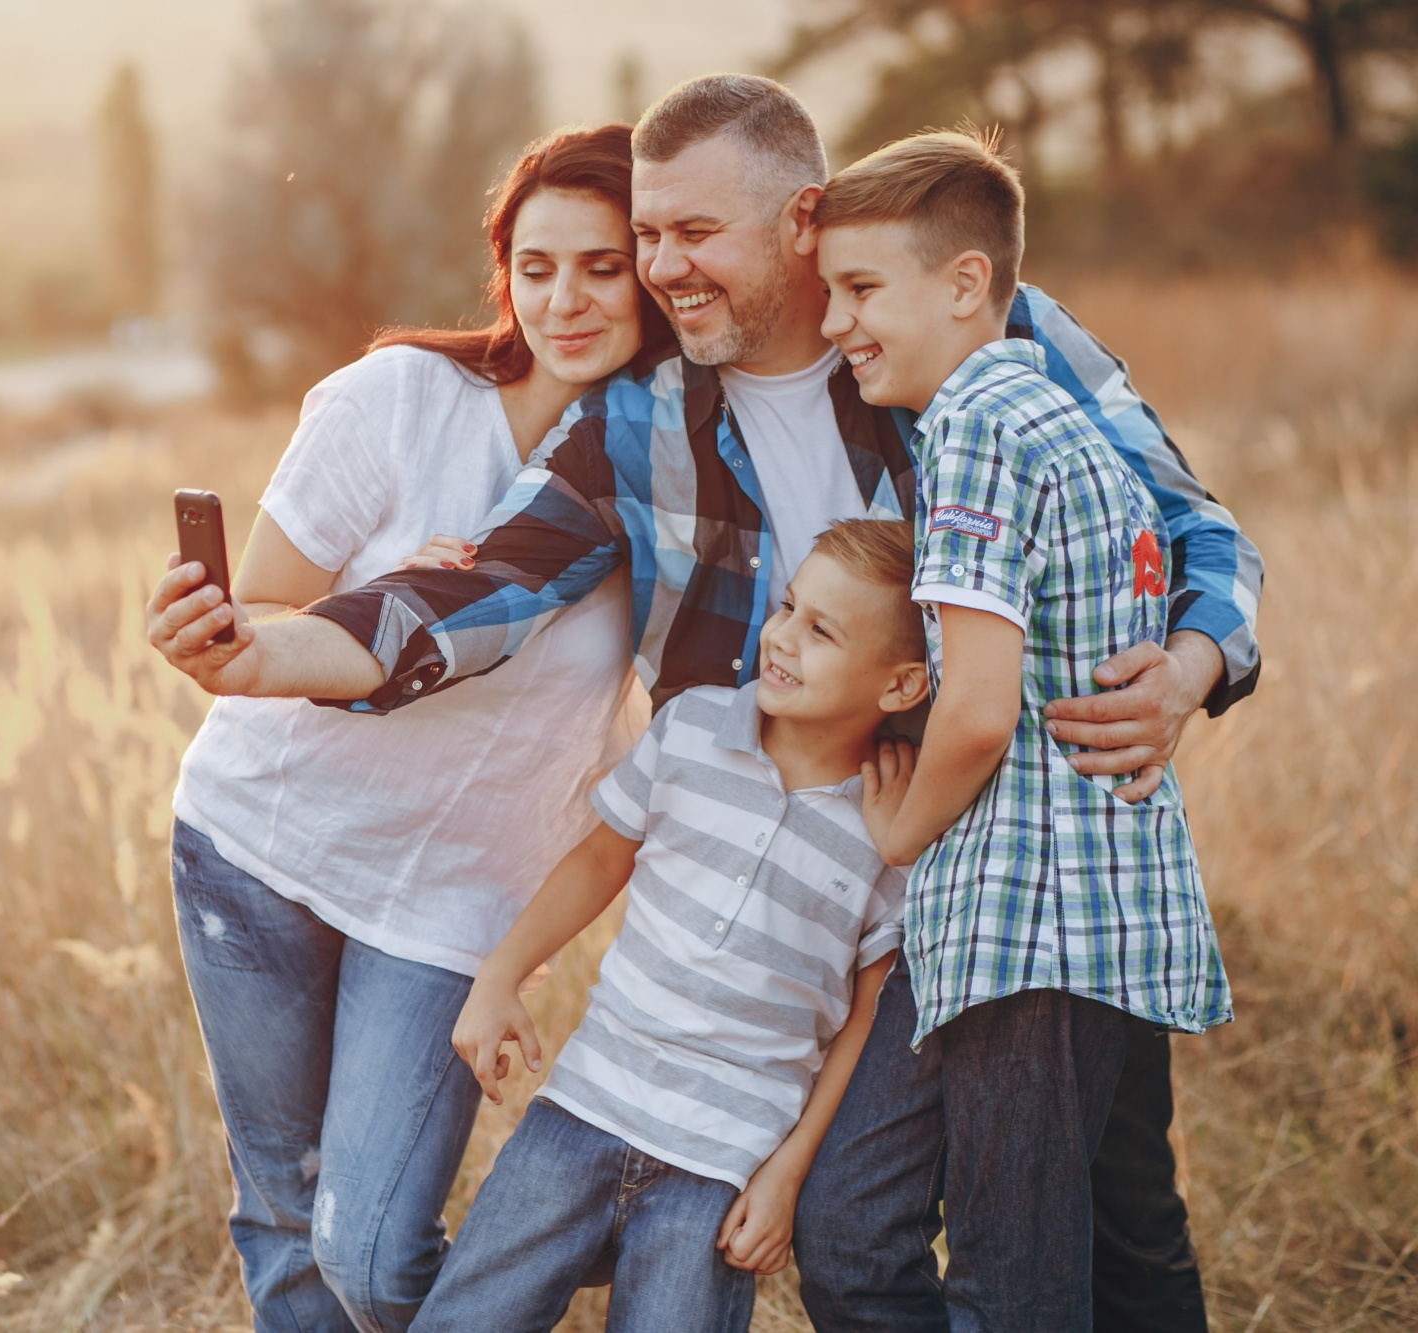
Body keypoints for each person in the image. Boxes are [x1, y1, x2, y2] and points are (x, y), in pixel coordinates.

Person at [148, 75, 1256, 1330]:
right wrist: (267, 655)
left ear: (799, 219)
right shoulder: (639, 414)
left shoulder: (972, 331)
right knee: (853, 1238)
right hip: (812, 881)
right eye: (649, 237)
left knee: (1114, 1214)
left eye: (690, 235)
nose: (660, 268)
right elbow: (478, 592)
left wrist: (1192, 663)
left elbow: (1189, 518)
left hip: (1012, 849)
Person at [165, 124, 676, 1333]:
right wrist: (232, 634)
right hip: (262, 846)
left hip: (457, 894)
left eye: (603, 267)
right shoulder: (395, 397)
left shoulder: (661, 467)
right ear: (502, 268)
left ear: (651, 274)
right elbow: (267, 601)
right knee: (283, 1211)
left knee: (378, 1248)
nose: (566, 298)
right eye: (537, 264)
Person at [795, 130, 1230, 1331]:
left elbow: (979, 711)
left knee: (1011, 1287)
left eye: (861, 289)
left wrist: (895, 827)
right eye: (829, 291)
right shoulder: (1043, 414)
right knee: (861, 1233)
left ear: (966, 282)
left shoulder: (977, 432)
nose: (835, 321)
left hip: (1035, 910)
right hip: (1030, 910)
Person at [410, 521, 927, 1333]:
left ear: (899, 687)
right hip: (585, 1106)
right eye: (789, 606)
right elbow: (597, 862)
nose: (782, 637)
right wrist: (500, 973)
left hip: (722, 1165)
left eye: (821, 630)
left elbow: (865, 1015)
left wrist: (787, 1171)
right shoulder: (690, 729)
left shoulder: (891, 830)